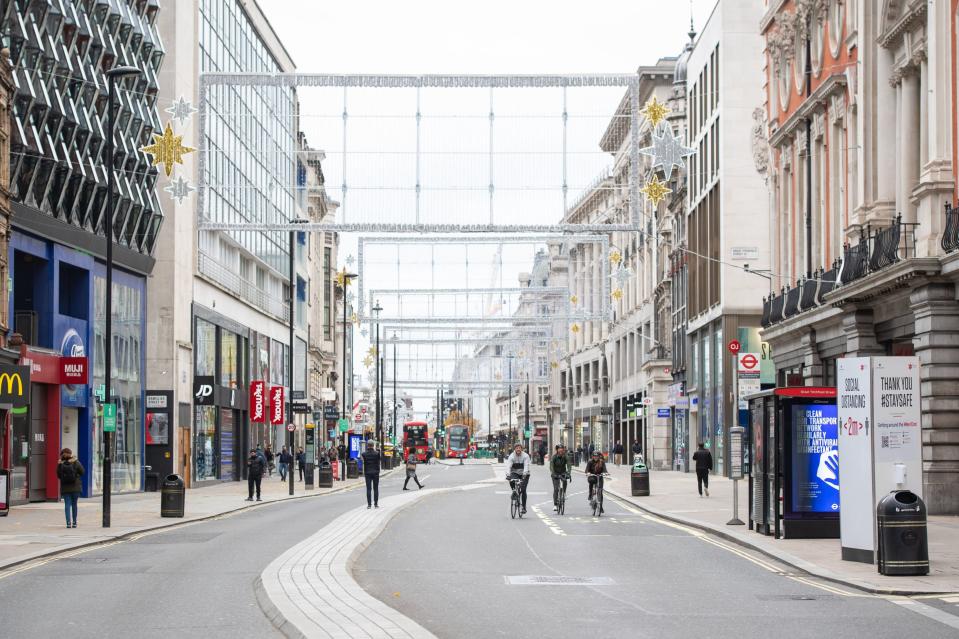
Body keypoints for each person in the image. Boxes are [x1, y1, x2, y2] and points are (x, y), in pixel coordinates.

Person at [57, 448, 84, 528]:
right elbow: (82, 471)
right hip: (75, 487)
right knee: (74, 504)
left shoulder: (60, 463)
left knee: (67, 505)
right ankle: (75, 522)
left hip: (65, 487)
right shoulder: (75, 462)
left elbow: (58, 475)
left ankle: (68, 523)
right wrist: (76, 476)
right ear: (70, 453)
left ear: (62, 454)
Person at [504, 443, 531, 514]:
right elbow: (508, 466)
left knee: (523, 489)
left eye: (519, 448)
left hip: (524, 474)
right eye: (517, 448)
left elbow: (526, 466)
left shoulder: (525, 456)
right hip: (515, 473)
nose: (518, 449)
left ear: (521, 449)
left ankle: (524, 507)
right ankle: (514, 491)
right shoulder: (511, 456)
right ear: (514, 449)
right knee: (511, 479)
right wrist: (508, 474)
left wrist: (524, 474)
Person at [550, 444, 571, 512]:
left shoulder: (566, 456)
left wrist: (568, 472)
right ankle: (555, 505)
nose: (561, 450)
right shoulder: (554, 457)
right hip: (555, 473)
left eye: (562, 448)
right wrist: (553, 473)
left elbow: (569, 465)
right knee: (556, 488)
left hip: (563, 472)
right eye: (559, 449)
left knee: (564, 481)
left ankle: (564, 493)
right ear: (557, 450)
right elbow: (551, 466)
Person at [360, 442, 382, 508]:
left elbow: (362, 460)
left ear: (367, 445)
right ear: (373, 445)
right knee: (376, 488)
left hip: (367, 472)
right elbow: (379, 461)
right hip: (375, 472)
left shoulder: (364, 454)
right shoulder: (377, 453)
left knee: (368, 489)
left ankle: (369, 505)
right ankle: (376, 504)